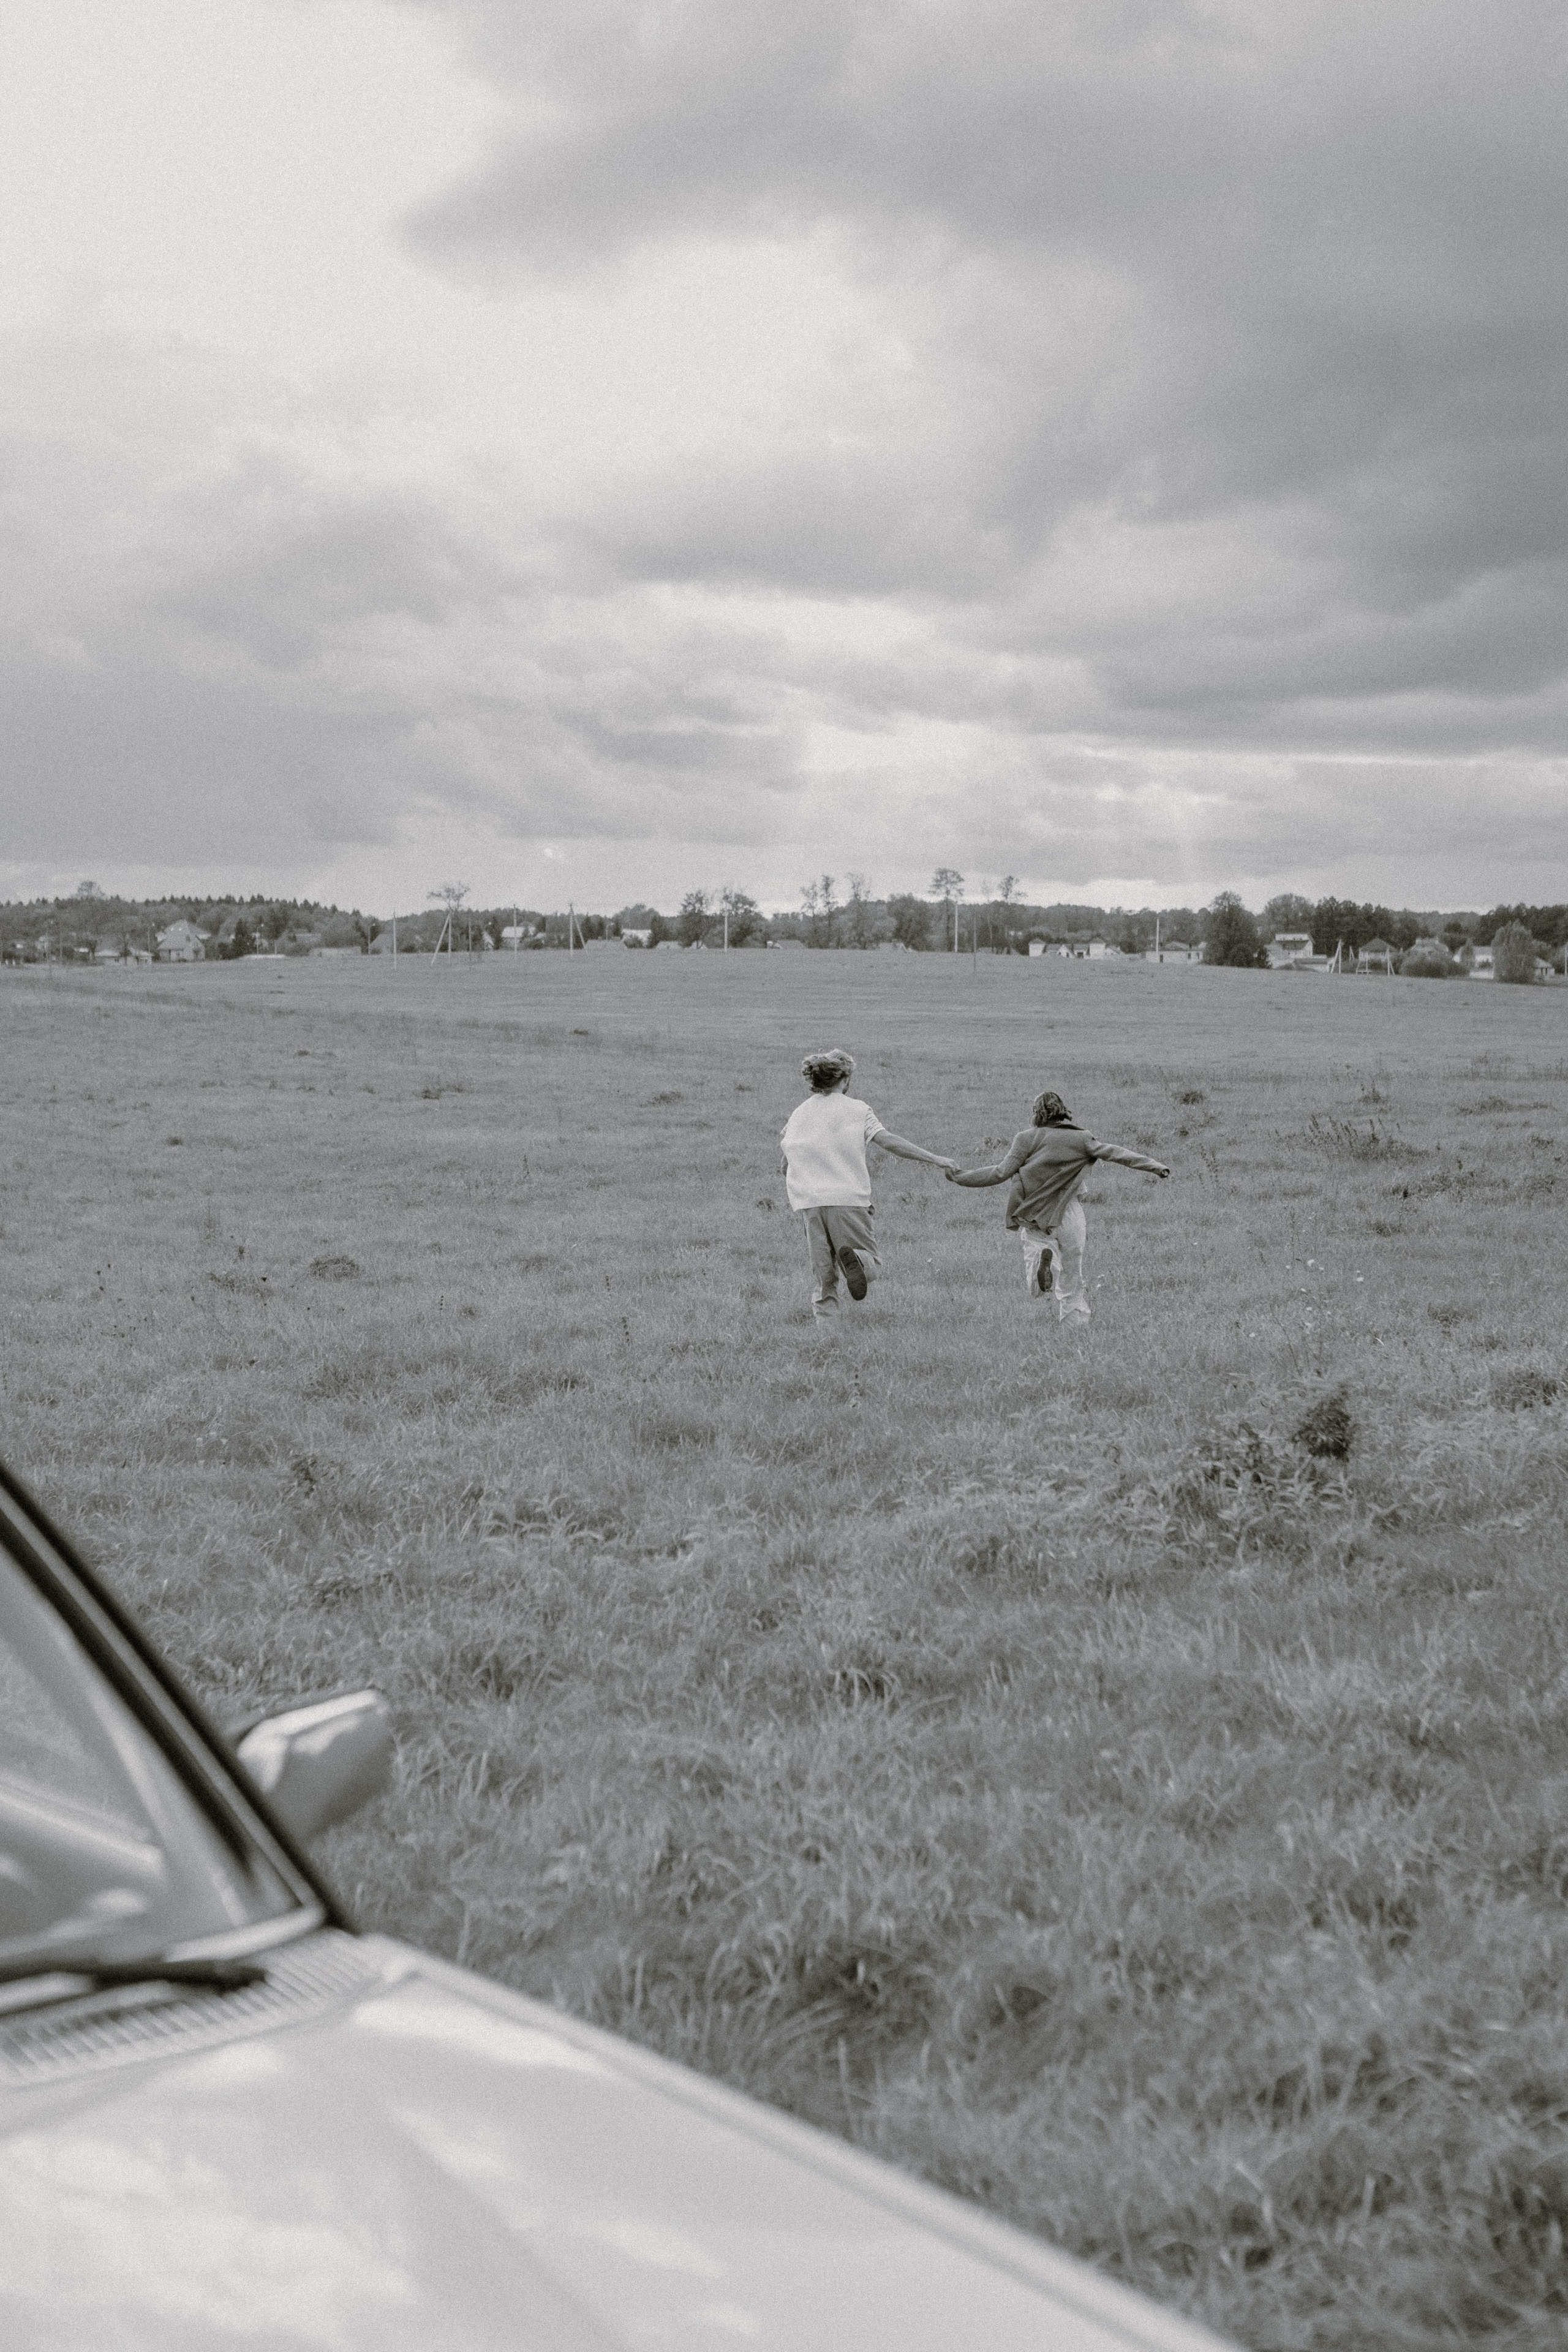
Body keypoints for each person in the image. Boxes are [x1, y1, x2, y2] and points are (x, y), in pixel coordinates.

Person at [946, 1090, 1169, 1323]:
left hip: (1037, 1215)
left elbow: (999, 1173)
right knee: (1073, 1274)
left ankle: (1048, 1265)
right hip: (1072, 1214)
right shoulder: (1082, 1137)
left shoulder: (1025, 1138)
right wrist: (1155, 1166)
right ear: (1063, 1110)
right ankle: (1075, 1326)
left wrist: (961, 1177)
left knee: (1037, 1271)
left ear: (1036, 1113)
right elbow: (1115, 1153)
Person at [780, 1050, 957, 1317]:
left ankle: (826, 1333)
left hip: (808, 1203)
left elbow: (785, 1165)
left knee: (824, 1276)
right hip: (847, 1201)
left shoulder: (799, 1113)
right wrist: (935, 1159)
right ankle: (858, 1263)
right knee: (870, 1263)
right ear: (845, 1079)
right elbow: (889, 1142)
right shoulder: (858, 1109)